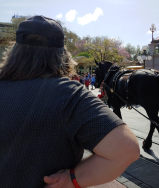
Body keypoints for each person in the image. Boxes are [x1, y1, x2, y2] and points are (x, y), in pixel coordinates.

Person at [0, 16, 140, 188]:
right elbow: (127, 149)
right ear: (62, 54)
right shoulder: (69, 95)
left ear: (14, 51)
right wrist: (72, 178)